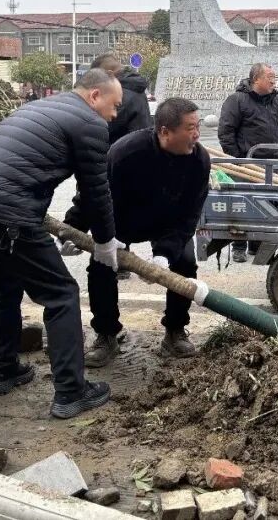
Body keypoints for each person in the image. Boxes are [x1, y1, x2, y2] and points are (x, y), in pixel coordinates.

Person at [0, 69, 126, 419]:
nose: (115, 114)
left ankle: (3, 371)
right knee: (61, 294)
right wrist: (106, 241)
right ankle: (71, 391)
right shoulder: (89, 123)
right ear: (95, 95)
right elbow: (96, 190)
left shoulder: (39, 107)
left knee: (4, 288)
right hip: (8, 218)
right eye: (114, 105)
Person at [70, 97, 211, 364]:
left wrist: (164, 254)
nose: (196, 135)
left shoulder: (199, 161)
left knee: (185, 263)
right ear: (165, 131)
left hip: (168, 223)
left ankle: (175, 330)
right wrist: (73, 228)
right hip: (122, 221)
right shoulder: (126, 152)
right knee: (101, 266)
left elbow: (188, 217)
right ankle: (106, 334)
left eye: (198, 126)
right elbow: (94, 194)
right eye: (190, 128)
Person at [62, 54, 152, 280]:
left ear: (110, 75)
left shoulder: (121, 93)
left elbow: (101, 125)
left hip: (114, 158)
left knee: (100, 201)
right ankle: (114, 258)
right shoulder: (137, 89)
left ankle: (102, 256)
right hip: (132, 159)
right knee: (116, 207)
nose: (113, 112)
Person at [218, 63, 278, 262]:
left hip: (271, 164)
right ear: (256, 79)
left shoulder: (276, 102)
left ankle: (256, 246)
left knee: (265, 205)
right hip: (246, 165)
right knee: (243, 204)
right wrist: (238, 159)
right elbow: (226, 133)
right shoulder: (237, 100)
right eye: (270, 77)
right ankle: (239, 246)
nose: (274, 81)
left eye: (274, 77)